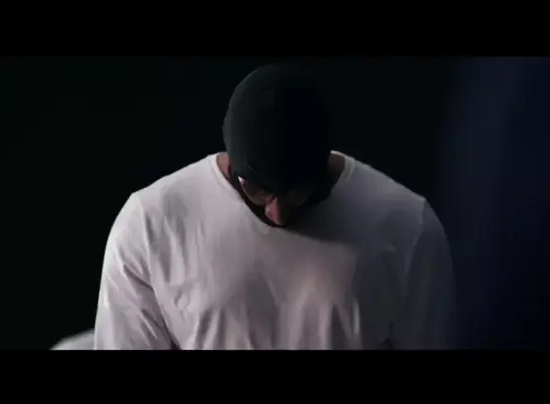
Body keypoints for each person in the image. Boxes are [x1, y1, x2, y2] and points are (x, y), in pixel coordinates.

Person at [93, 64, 455, 349]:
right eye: (257, 190)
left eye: (297, 192)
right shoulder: (149, 227)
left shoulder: (408, 228)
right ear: (232, 165)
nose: (277, 215)